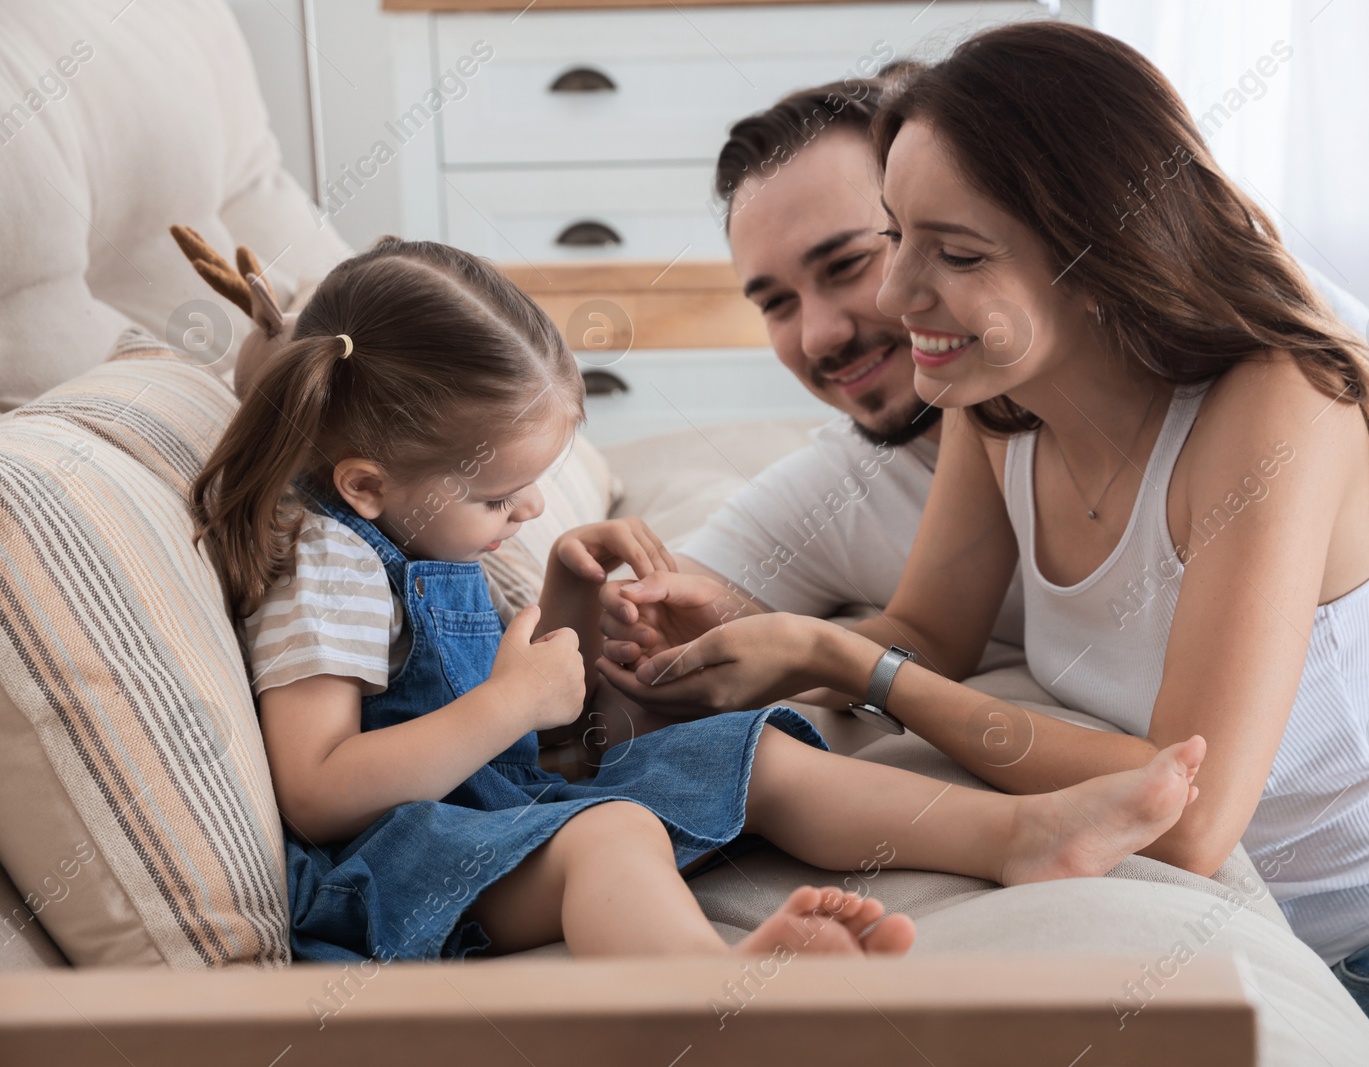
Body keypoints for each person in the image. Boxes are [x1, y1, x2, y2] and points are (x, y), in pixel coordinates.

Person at [595, 23, 1369, 1062]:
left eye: (955, 253)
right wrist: (761, 639)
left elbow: (1189, 816)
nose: (894, 300)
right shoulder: (997, 407)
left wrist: (848, 657)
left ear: (1097, 251)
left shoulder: (1275, 400)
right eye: (897, 238)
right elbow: (925, 634)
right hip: (1257, 958)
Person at [188, 235, 1207, 963]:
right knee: (612, 835)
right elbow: (319, 789)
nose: (530, 505)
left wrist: (566, 596)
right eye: (502, 495)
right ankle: (717, 1002)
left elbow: (552, 745)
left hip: (497, 813)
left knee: (753, 749)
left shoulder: (410, 531)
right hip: (406, 874)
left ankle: (1020, 834)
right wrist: (510, 700)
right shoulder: (326, 566)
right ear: (365, 482)